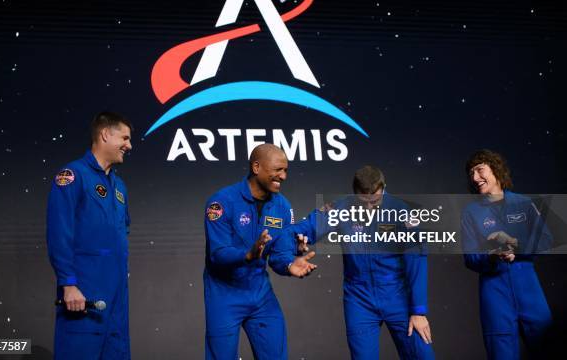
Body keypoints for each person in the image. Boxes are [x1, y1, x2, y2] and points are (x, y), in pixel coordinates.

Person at [294, 166, 434, 359]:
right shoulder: (342, 208)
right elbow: (307, 226)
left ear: (384, 188)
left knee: (421, 355)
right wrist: (299, 238)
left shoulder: (402, 211)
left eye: (375, 201)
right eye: (363, 202)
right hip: (359, 299)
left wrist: (418, 310)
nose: (369, 208)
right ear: (354, 194)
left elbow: (416, 260)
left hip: (397, 295)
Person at [203, 143, 317, 360]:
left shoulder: (283, 206)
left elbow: (279, 255)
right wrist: (247, 255)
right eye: (278, 170)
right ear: (256, 167)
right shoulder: (221, 202)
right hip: (224, 294)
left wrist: (289, 264)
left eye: (285, 171)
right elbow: (217, 254)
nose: (283, 176)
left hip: (260, 294)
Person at [46, 111, 133, 359]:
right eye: (125, 138)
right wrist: (69, 283)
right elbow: (59, 233)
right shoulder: (72, 176)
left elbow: (122, 231)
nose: (129, 145)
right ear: (105, 134)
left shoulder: (119, 187)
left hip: (116, 297)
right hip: (84, 293)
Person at [460, 149, 552, 359]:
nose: (475, 178)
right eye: (471, 174)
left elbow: (545, 240)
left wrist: (516, 248)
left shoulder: (524, 203)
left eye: (479, 170)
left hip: (528, 289)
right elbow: (469, 257)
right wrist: (491, 257)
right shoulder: (471, 213)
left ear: (495, 168)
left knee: (547, 348)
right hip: (494, 293)